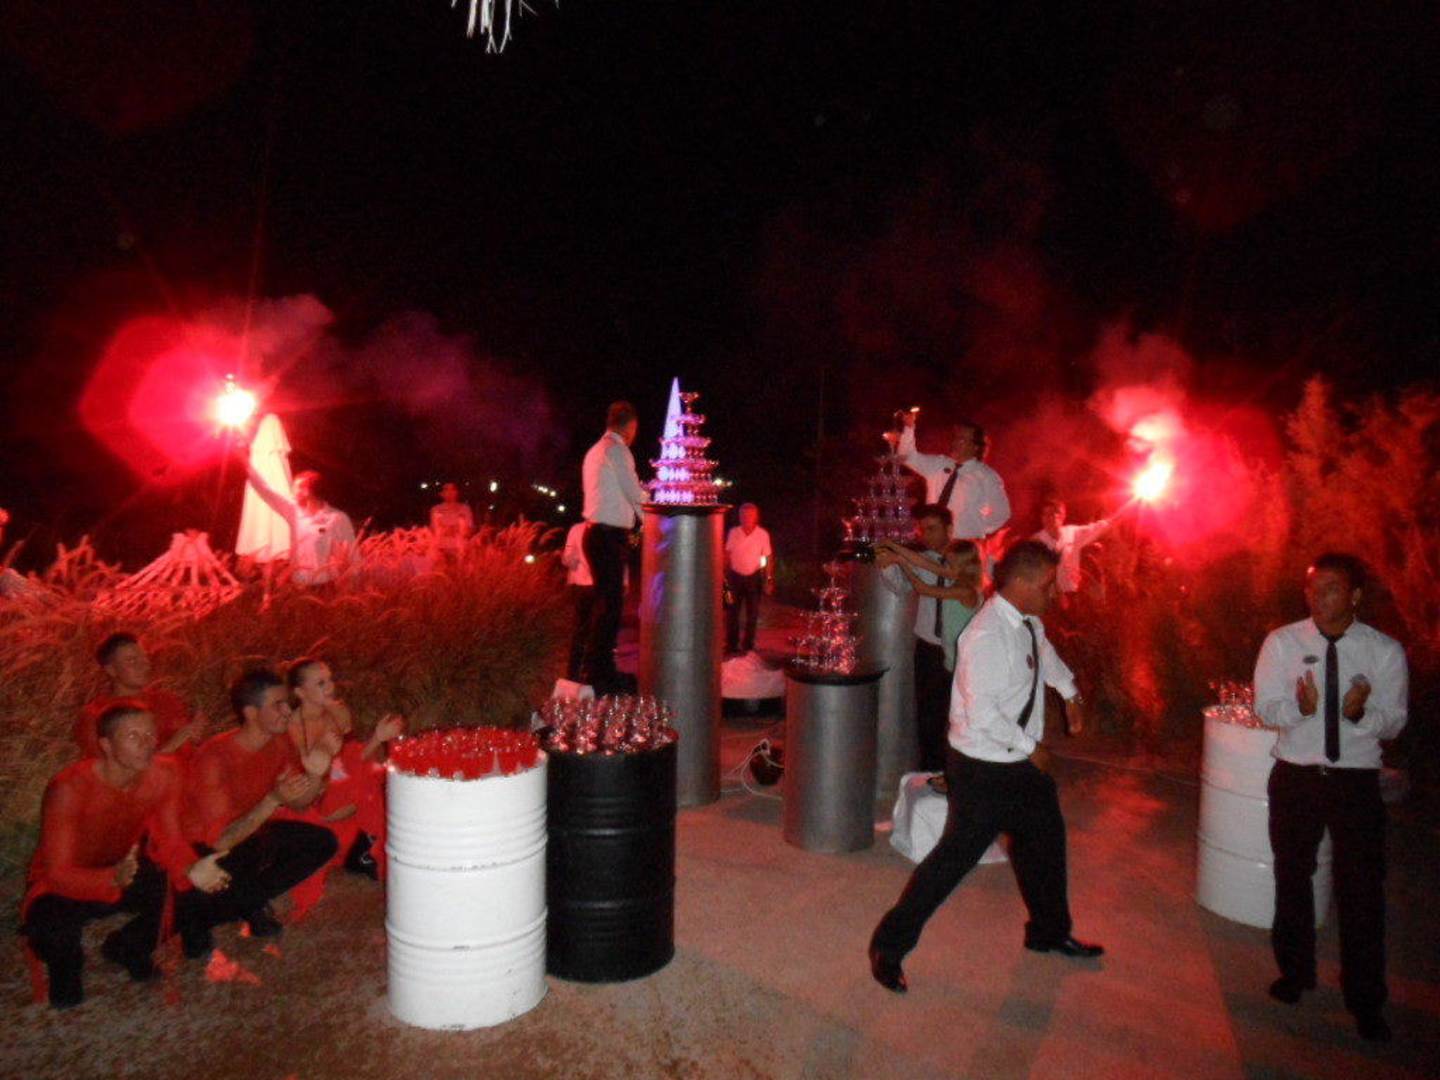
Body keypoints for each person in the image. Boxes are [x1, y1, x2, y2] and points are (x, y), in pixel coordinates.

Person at [869, 540, 1102, 994]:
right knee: (953, 860)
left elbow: (1045, 656)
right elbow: (982, 714)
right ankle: (888, 946)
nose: (1055, 593)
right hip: (982, 768)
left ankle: (1049, 933)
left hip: (1019, 763)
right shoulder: (986, 635)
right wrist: (1031, 747)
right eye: (1048, 585)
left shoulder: (1028, 621)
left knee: (1046, 845)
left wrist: (1070, 693)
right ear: (1023, 583)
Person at [1253, 553, 1407, 1043]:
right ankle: (1295, 973)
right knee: (1292, 878)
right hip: (1297, 776)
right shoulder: (1283, 643)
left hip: (1354, 782)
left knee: (1362, 890)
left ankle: (1366, 1000)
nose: (1317, 597)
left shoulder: (1383, 651)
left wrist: (1361, 714)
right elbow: (1266, 707)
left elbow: (1394, 721)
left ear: (1355, 595)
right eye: (1313, 588)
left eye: (1331, 588)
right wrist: (1299, 709)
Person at [22, 702, 230, 1008]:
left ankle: (128, 947)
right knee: (54, 943)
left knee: (192, 891)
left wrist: (192, 868)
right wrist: (110, 878)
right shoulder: (70, 787)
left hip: (124, 866)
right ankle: (65, 977)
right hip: (64, 881)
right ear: (106, 745)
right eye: (133, 736)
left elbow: (170, 838)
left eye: (150, 735)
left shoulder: (165, 773)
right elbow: (56, 872)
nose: (147, 744)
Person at [177, 668, 338, 959]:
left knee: (321, 842)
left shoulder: (278, 741)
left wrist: (316, 772)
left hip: (250, 830)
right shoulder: (215, 757)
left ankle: (246, 901)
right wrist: (273, 800)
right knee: (234, 864)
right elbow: (219, 841)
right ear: (251, 713)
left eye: (287, 703)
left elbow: (300, 803)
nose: (288, 711)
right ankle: (202, 915)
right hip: (203, 849)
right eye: (278, 705)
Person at [279, 657, 402, 916]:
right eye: (320, 683)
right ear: (300, 693)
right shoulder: (291, 728)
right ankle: (366, 847)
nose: (330, 687)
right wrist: (326, 758)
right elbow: (305, 784)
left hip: (341, 785)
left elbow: (351, 758)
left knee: (377, 775)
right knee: (365, 784)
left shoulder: (338, 712)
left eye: (330, 680)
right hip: (313, 796)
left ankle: (366, 847)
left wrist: (378, 737)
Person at [874, 505, 954, 773]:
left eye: (932, 529)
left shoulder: (965, 558)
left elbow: (944, 573)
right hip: (929, 648)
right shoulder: (920, 558)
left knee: (959, 717)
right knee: (928, 718)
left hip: (959, 648)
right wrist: (887, 565)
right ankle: (931, 775)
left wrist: (901, 557)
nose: (926, 535)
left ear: (949, 530)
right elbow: (900, 586)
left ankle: (956, 775)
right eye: (922, 529)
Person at [580, 401, 647, 693]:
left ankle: (598, 669)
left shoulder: (595, 450)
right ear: (630, 426)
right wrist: (656, 519)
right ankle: (600, 675)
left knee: (606, 605)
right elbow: (634, 493)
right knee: (610, 607)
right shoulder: (618, 450)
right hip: (607, 536)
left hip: (596, 534)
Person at [74, 633, 207, 761]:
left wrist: (195, 732)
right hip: (156, 775)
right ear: (111, 670)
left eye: (144, 658)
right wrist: (172, 746)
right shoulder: (95, 714)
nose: (143, 665)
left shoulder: (167, 700)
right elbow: (111, 771)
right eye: (132, 661)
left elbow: (189, 745)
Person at [895, 411, 1010, 548]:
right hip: (932, 539)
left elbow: (1002, 513)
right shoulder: (939, 464)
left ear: (975, 447)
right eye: (955, 438)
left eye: (962, 439)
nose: (955, 442)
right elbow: (907, 457)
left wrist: (975, 529)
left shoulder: (986, 476)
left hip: (963, 543)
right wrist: (909, 428)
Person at [245, 458, 360, 586]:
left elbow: (353, 556)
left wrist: (352, 586)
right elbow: (265, 490)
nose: (292, 492)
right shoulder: (293, 512)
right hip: (297, 586)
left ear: (307, 491)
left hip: (325, 587)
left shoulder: (337, 518)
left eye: (296, 488)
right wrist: (244, 461)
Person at [896, 539, 984, 672]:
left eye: (951, 564)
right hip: (953, 659)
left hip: (961, 663)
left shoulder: (965, 591)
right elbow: (923, 562)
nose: (946, 567)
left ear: (964, 567)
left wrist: (901, 562)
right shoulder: (957, 580)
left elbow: (922, 589)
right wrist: (892, 546)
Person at [724, 503, 775, 655]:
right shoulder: (733, 532)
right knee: (732, 612)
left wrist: (768, 579)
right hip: (734, 577)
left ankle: (748, 646)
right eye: (743, 515)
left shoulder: (762, 534)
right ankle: (731, 645)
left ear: (756, 517)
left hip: (754, 577)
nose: (746, 518)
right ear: (739, 517)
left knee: (752, 614)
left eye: (750, 515)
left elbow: (767, 558)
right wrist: (724, 576)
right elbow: (727, 554)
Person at [1032, 498, 1111, 596]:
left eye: (1052, 513)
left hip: (1072, 595)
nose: (1048, 518)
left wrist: (1120, 514)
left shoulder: (1072, 533)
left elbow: (1098, 528)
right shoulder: (1035, 541)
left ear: (1062, 515)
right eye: (1044, 514)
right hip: (1048, 598)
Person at [561, 521, 596, 681]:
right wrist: (572, 559)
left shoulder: (609, 531)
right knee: (581, 629)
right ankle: (574, 672)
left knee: (596, 629)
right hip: (582, 586)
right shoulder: (577, 529)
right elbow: (567, 556)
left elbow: (619, 560)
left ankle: (590, 669)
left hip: (600, 586)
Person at [429, 482, 475, 563]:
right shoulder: (436, 510)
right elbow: (435, 530)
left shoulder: (465, 509)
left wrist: (447, 529)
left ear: (457, 492)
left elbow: (469, 530)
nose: (450, 492)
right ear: (441, 494)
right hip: (441, 551)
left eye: (452, 489)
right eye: (446, 490)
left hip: (461, 551)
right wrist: (456, 528)